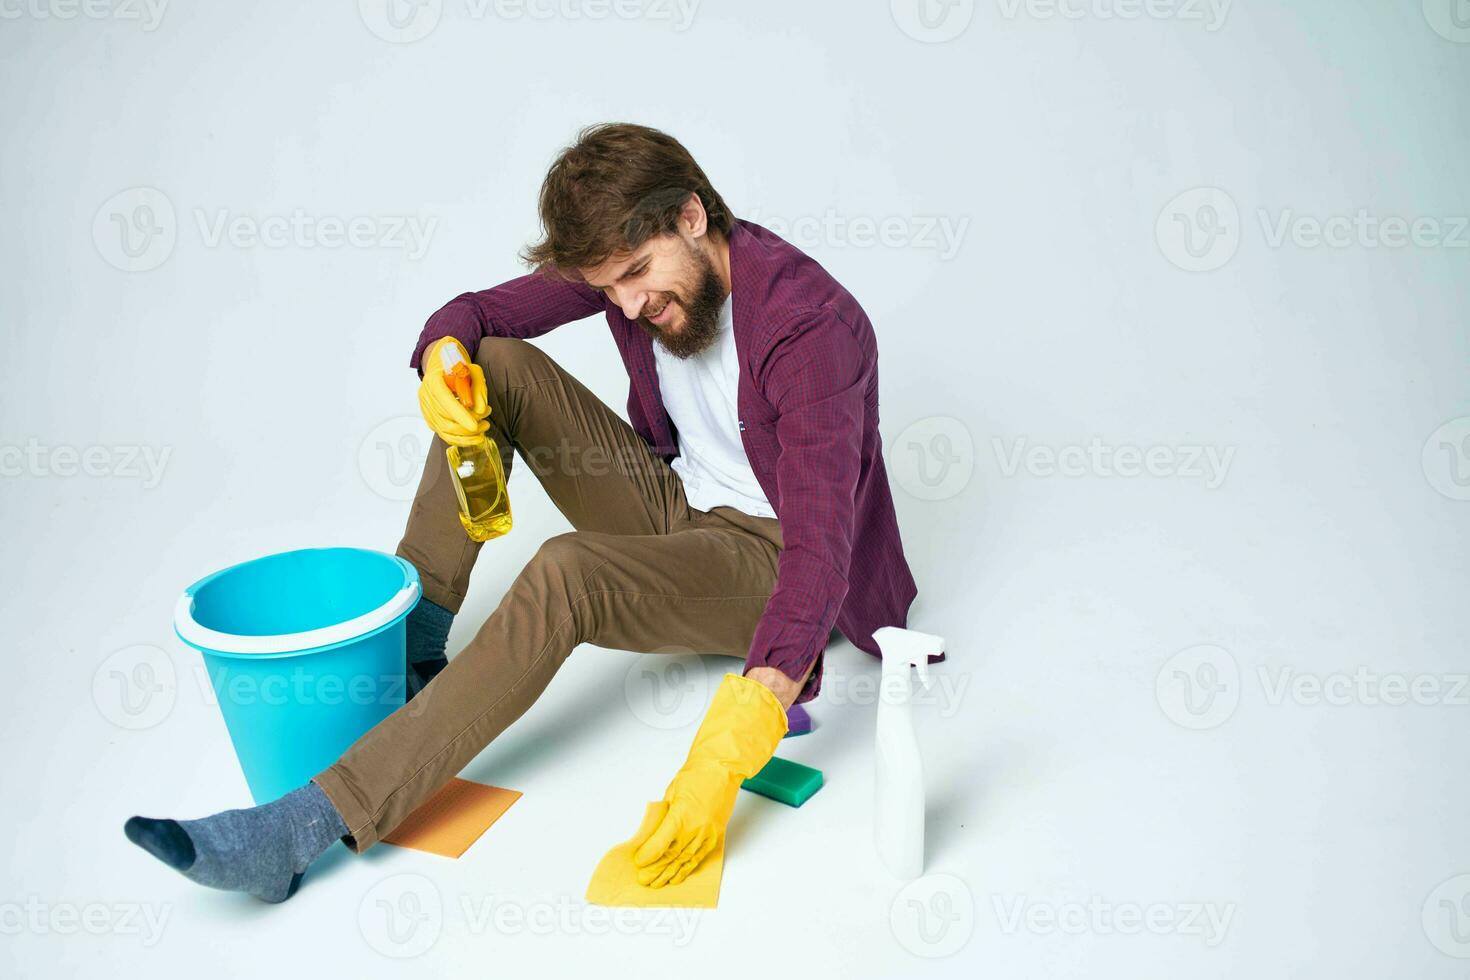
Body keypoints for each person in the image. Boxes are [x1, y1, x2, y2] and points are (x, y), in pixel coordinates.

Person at [124, 122, 929, 902]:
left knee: (567, 572)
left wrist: (744, 728)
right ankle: (414, 658)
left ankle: (303, 829)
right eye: (609, 286)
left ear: (692, 215)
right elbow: (477, 314)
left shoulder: (810, 328)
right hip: (677, 506)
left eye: (639, 274)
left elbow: (821, 554)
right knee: (495, 365)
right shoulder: (635, 268)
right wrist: (444, 362)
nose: (629, 303)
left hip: (772, 560)